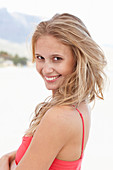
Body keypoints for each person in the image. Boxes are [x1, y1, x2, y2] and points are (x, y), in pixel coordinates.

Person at [0, 13, 106, 170]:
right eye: (40, 57)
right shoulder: (80, 105)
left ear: (77, 59)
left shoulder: (59, 116)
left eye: (57, 58)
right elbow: (48, 150)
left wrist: (3, 162)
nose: (46, 69)